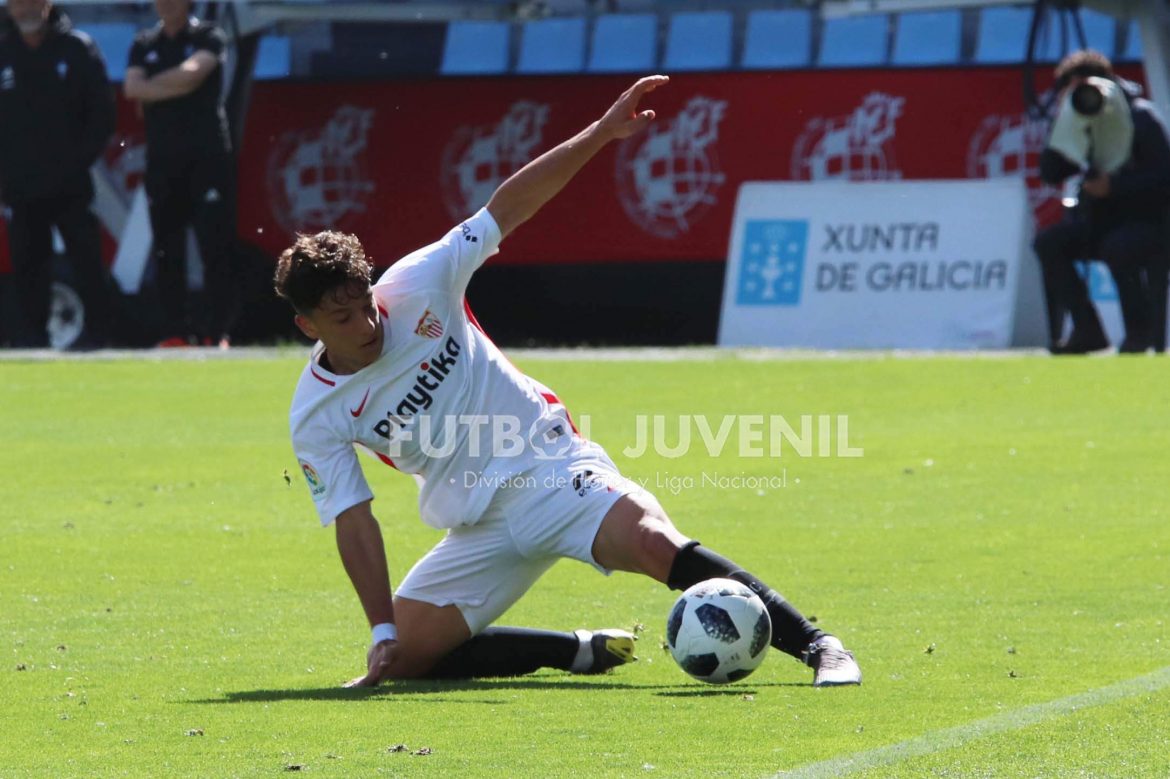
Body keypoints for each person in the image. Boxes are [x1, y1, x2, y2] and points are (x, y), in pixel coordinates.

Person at [275, 76, 862, 689]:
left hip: (550, 466)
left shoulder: (419, 282)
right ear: (307, 325)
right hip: (478, 520)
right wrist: (381, 630)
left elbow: (507, 207)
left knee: (653, 542)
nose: (367, 324)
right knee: (404, 658)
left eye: (366, 304)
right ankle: (575, 650)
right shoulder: (316, 414)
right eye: (343, 319)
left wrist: (602, 134)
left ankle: (818, 645)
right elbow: (354, 520)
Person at [1034, 50, 1170, 354]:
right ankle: (1087, 330)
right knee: (1049, 243)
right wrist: (1064, 123)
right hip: (1098, 222)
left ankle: (1139, 334)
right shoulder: (1078, 122)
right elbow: (1050, 172)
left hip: (1148, 223)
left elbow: (1164, 179)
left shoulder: (1141, 117)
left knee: (1118, 247)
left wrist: (1115, 187)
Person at [0, 0, 117, 349]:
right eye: (18, 3)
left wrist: (76, 162)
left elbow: (101, 114)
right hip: (20, 186)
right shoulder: (4, 53)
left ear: (47, 4)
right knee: (27, 266)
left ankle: (99, 337)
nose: (25, 10)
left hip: (70, 184)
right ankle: (32, 341)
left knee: (87, 262)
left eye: (32, 2)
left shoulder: (77, 48)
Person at [124, 0, 237, 348]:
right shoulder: (144, 43)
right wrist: (171, 86)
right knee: (166, 249)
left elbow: (192, 74)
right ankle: (175, 331)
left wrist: (155, 87)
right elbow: (132, 88)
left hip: (207, 160)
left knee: (214, 245)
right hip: (163, 162)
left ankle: (217, 331)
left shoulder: (209, 35)